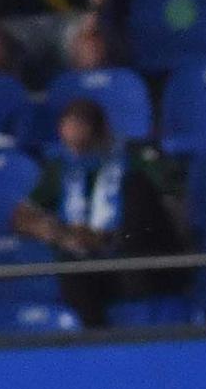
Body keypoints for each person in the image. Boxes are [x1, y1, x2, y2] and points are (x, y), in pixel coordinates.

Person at [15, 98, 183, 326]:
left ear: (102, 130)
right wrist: (59, 234)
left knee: (137, 188)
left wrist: (108, 238)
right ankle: (93, 337)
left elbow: (171, 206)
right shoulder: (62, 165)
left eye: (83, 138)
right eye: (69, 141)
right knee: (72, 272)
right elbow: (22, 215)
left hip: (135, 256)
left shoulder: (136, 156)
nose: (76, 149)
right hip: (84, 262)